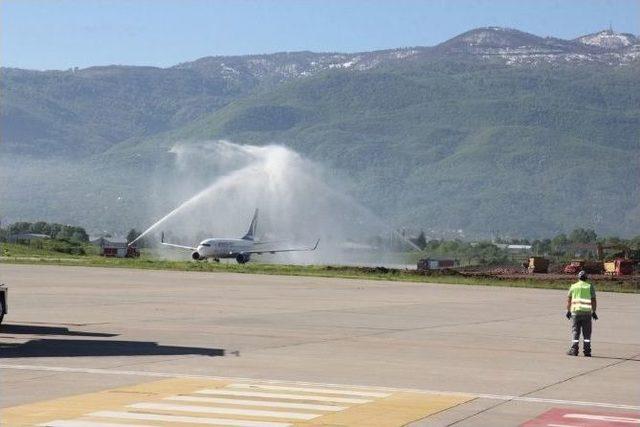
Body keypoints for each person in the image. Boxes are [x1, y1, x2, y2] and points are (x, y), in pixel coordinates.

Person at [566, 270, 598, 356]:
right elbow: (593, 300)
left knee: (575, 332)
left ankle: (574, 349)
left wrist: (568, 311)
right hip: (587, 313)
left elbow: (569, 300)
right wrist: (594, 311)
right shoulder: (589, 286)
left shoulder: (573, 286)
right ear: (586, 278)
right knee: (587, 333)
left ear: (578, 278)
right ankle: (587, 351)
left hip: (575, 313)